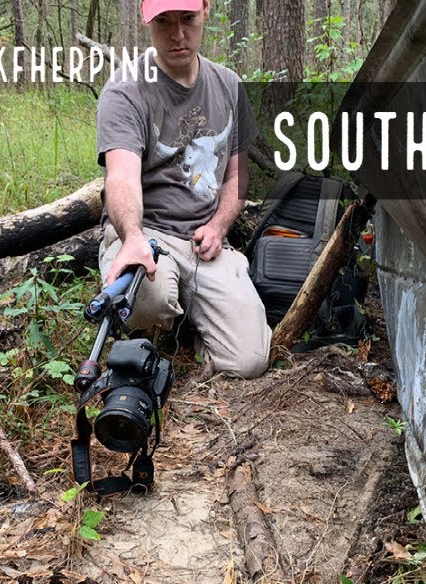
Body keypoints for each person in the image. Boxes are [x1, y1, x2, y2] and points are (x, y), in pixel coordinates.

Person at [95, 0, 270, 378]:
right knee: (147, 300)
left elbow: (236, 178)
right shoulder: (125, 90)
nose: (177, 34)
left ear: (206, 10)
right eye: (164, 22)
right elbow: (121, 177)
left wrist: (220, 226)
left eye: (187, 19)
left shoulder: (229, 85)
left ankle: (191, 323)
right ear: (147, 21)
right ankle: (157, 323)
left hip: (203, 241)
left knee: (250, 361)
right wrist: (132, 237)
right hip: (150, 233)